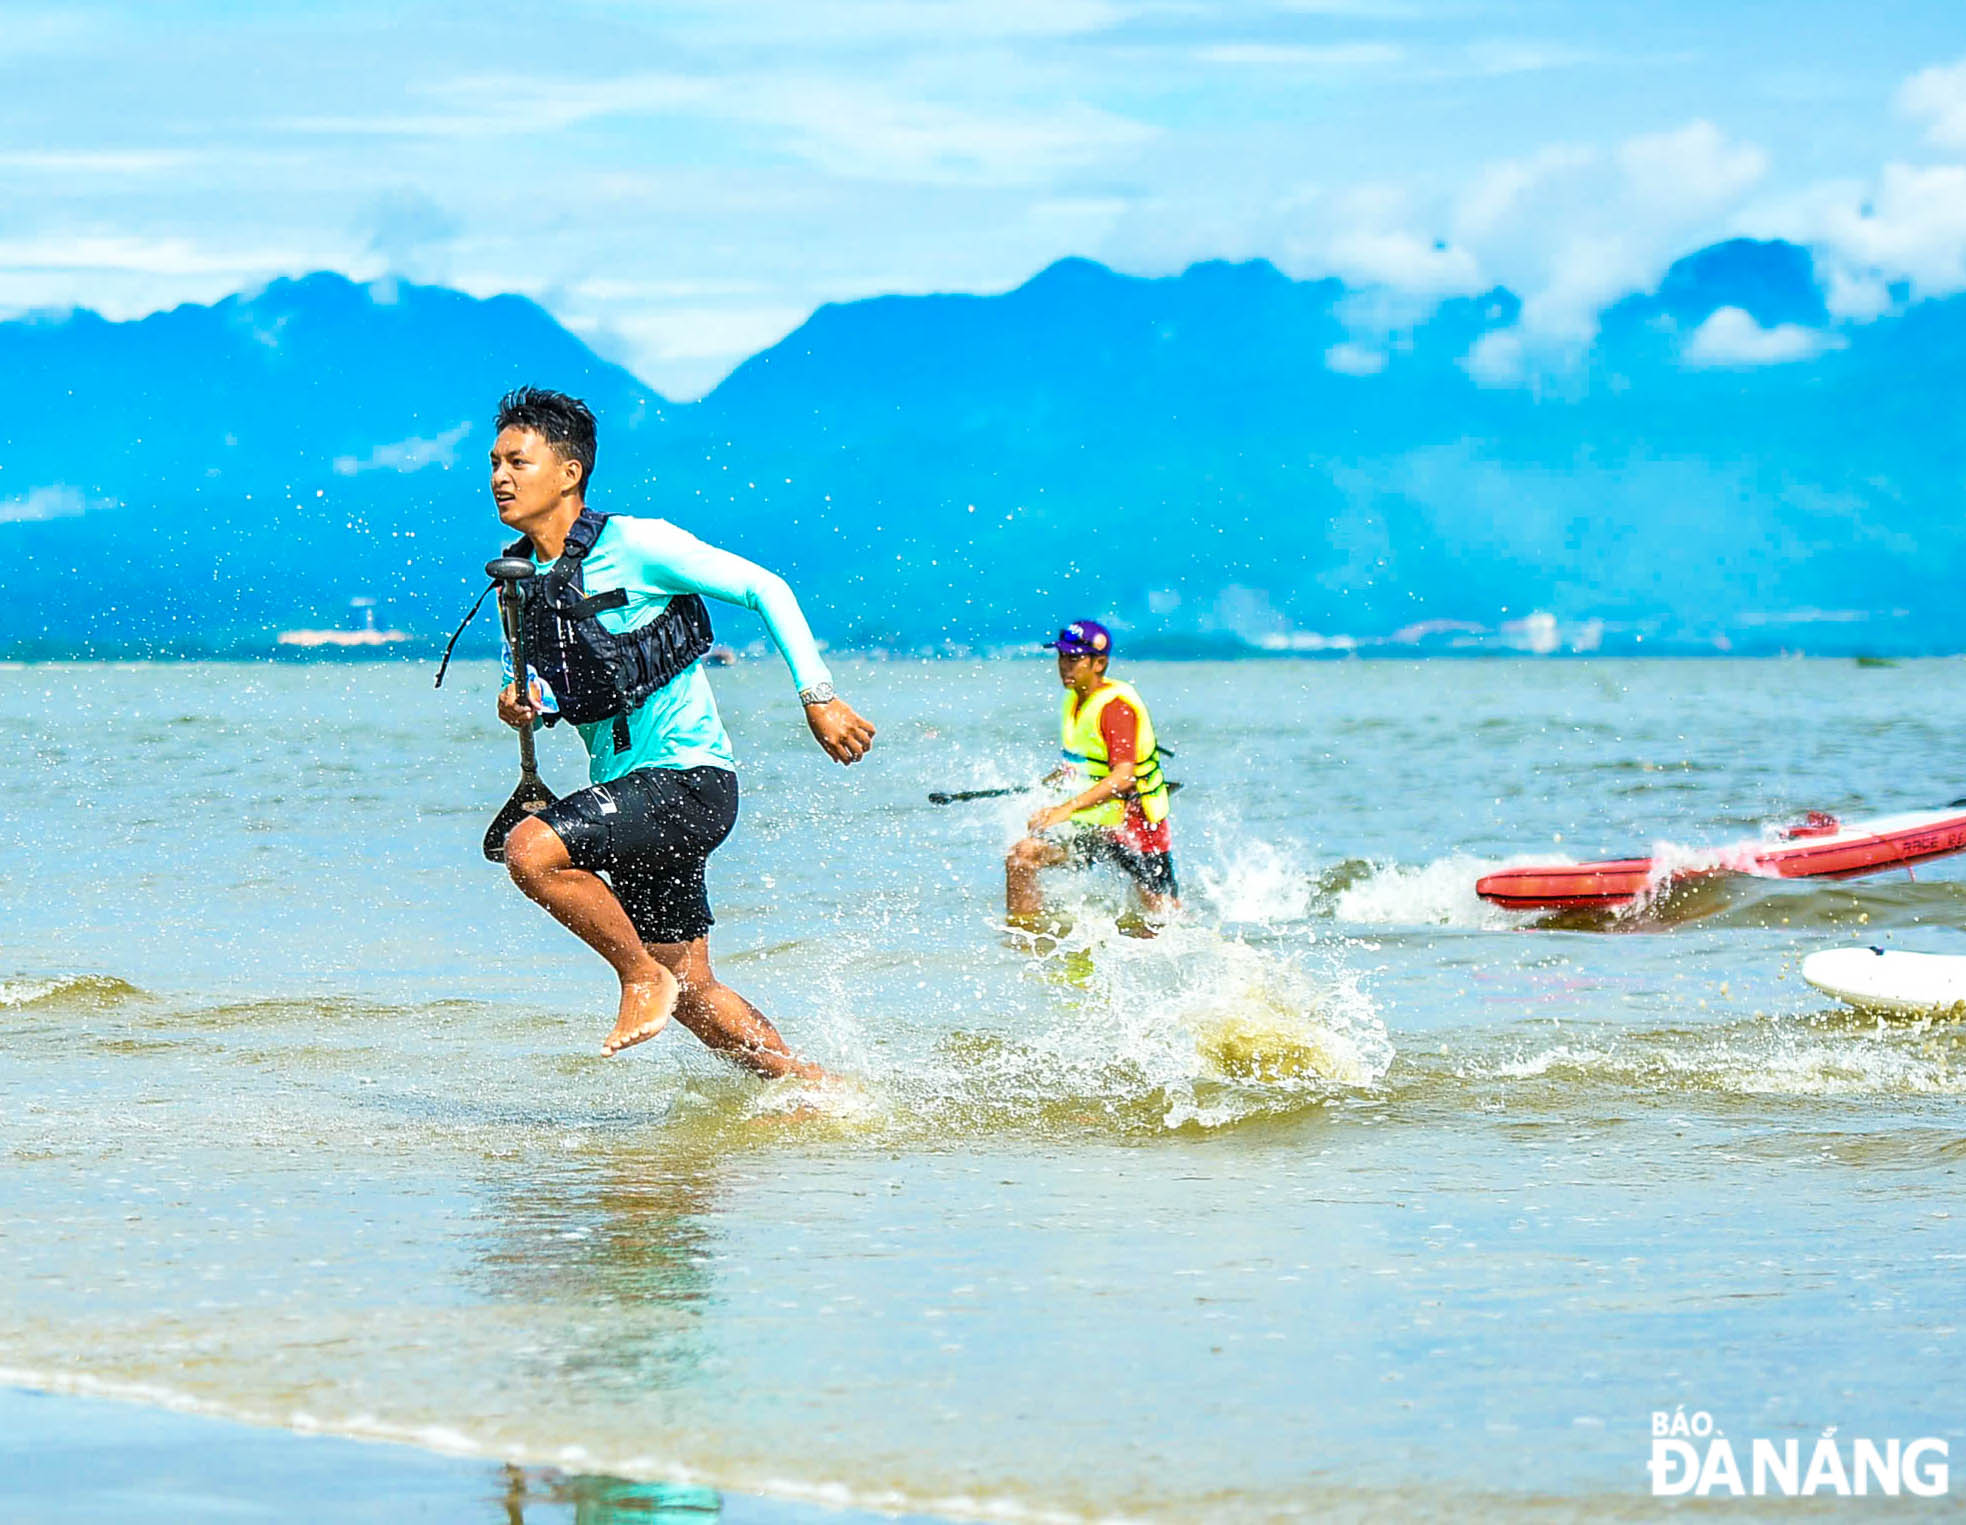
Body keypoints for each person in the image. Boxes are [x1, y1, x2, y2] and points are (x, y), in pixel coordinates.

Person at [486, 387, 874, 1074]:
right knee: (694, 990)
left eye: (518, 461)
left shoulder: (637, 544)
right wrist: (529, 701)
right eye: (493, 463)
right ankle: (809, 1087)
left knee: (531, 851)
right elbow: (578, 684)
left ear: (570, 471)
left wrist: (820, 698)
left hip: (689, 780)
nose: (500, 478)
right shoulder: (517, 581)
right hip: (628, 792)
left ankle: (637, 977)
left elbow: (768, 587)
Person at [1005, 619, 1178, 928]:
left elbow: (1123, 777)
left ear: (1099, 663)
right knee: (1021, 858)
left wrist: (1064, 808)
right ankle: (1025, 941)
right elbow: (1084, 761)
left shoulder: (1116, 708)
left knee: (1161, 917)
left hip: (1134, 823)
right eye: (1061, 656)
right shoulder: (1074, 698)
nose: (1065, 666)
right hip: (1093, 822)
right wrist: (1046, 787)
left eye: (1074, 658)